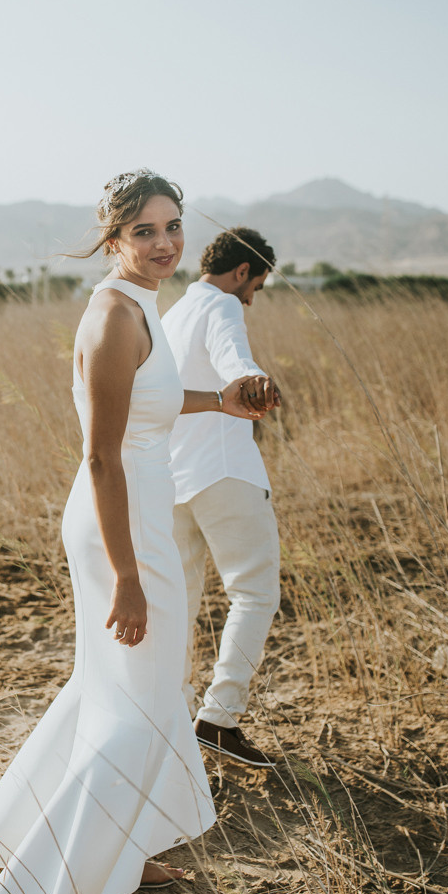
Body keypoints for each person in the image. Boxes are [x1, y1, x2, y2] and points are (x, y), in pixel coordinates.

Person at [0, 173, 272, 894]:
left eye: (171, 226)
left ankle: (116, 849)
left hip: (138, 514)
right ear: (113, 238)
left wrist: (220, 403)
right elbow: (100, 456)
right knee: (137, 699)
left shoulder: (144, 304)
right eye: (144, 231)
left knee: (126, 688)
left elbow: (149, 407)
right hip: (118, 527)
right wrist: (129, 577)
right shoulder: (111, 315)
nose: (164, 242)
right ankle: (60, 887)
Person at [162, 227, 281, 769]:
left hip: (171, 480)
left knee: (181, 606)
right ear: (240, 273)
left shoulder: (171, 315)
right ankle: (219, 719)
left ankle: (174, 723)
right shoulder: (223, 308)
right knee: (256, 594)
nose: (251, 298)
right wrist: (251, 380)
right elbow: (234, 357)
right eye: (254, 286)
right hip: (224, 474)